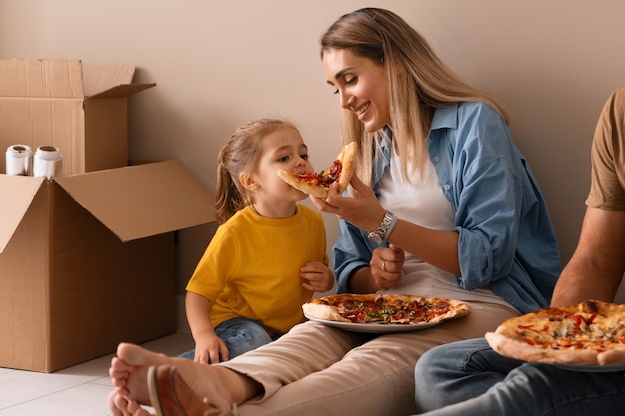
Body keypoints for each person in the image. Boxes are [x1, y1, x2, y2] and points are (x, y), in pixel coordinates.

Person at [108, 8, 561, 416]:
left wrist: (383, 224)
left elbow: (488, 258)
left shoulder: (474, 123)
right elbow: (349, 269)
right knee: (311, 336)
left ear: (395, 62)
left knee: (370, 360)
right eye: (335, 86)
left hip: (481, 302)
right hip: (391, 304)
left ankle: (226, 412)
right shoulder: (366, 149)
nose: (343, 100)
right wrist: (376, 276)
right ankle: (216, 382)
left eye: (350, 79)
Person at [413, 85, 625, 416]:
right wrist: (556, 343)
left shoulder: (477, 120)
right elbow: (596, 262)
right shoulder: (621, 110)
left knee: (529, 391)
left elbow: (485, 256)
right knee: (440, 369)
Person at [179, 118, 334, 363]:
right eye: (284, 158)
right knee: (255, 341)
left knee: (326, 339)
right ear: (251, 181)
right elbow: (197, 294)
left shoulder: (313, 222)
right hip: (238, 324)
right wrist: (204, 336)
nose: (300, 162)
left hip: (286, 327)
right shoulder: (236, 232)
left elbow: (317, 273)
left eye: (303, 154)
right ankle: (172, 370)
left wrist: (326, 278)